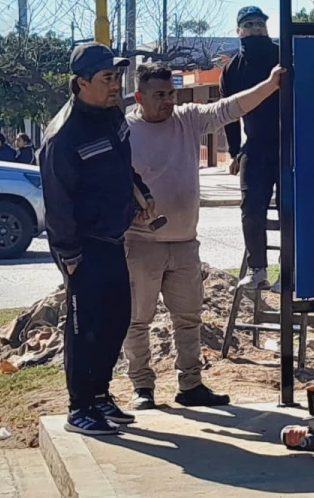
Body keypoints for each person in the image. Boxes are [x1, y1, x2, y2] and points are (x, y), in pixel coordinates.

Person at [124, 61, 285, 411]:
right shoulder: (124, 130)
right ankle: (142, 387)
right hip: (140, 244)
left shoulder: (187, 119)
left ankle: (191, 385)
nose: (168, 101)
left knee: (189, 318)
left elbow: (230, 107)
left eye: (171, 93)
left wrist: (271, 85)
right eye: (159, 95)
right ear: (139, 96)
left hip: (184, 242)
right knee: (138, 319)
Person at [39, 43, 157, 437]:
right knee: (83, 326)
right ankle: (80, 407)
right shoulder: (62, 135)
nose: (114, 85)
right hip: (82, 245)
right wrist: (68, 254)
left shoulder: (112, 116)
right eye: (107, 78)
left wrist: (139, 191)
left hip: (111, 238)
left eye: (116, 77)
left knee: (116, 320)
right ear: (81, 82)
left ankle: (101, 395)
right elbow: (57, 202)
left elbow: (122, 166)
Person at [220, 6, 282, 292]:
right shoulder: (232, 69)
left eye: (260, 24)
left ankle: (290, 272)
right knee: (251, 208)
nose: (256, 29)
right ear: (239, 31)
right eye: (249, 24)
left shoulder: (283, 58)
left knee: (290, 209)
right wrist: (234, 152)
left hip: (289, 145)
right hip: (255, 147)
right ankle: (257, 270)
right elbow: (228, 114)